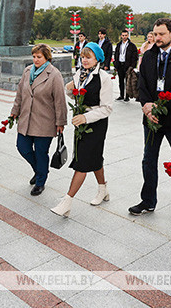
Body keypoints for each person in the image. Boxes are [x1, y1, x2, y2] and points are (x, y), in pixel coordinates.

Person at [129, 18, 171, 215]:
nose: (157, 38)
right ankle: (148, 201)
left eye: (161, 34)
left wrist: (159, 106)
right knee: (148, 160)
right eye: (155, 34)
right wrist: (147, 106)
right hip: (151, 120)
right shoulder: (150, 55)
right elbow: (142, 84)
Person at [51, 43, 114, 216]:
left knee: (83, 162)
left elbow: (107, 108)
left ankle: (67, 201)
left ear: (97, 59)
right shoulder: (80, 73)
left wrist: (86, 117)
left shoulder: (104, 78)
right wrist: (69, 90)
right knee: (93, 158)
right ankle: (103, 189)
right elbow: (77, 94)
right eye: (83, 57)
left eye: (89, 57)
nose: (85, 60)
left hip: (96, 123)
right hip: (81, 123)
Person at [10, 44, 67, 196]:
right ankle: (40, 170)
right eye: (34, 56)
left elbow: (60, 100)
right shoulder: (27, 71)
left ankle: (40, 181)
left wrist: (60, 122)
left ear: (47, 57)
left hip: (45, 121)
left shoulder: (54, 75)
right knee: (22, 147)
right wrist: (14, 111)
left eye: (39, 57)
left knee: (41, 152)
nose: (35, 59)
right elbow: (20, 94)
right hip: (26, 119)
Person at [114, 30, 139, 101]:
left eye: (125, 35)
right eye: (123, 35)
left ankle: (127, 96)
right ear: (121, 36)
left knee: (128, 81)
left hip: (127, 65)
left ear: (127, 36)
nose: (124, 37)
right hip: (120, 65)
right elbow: (116, 54)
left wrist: (132, 66)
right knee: (120, 81)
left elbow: (135, 57)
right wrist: (116, 63)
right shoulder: (119, 45)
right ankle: (121, 95)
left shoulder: (132, 46)